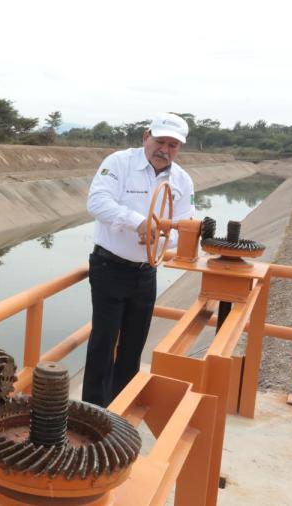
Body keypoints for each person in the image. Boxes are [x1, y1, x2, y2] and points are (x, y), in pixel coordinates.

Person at [81, 113, 195, 408]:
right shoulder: (119, 163)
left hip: (146, 272)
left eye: (173, 145)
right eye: (160, 141)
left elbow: (183, 227)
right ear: (146, 136)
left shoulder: (182, 180)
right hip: (110, 266)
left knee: (133, 345)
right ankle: (93, 412)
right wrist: (139, 223)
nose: (165, 149)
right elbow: (98, 202)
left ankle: (121, 408)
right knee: (104, 342)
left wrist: (159, 237)